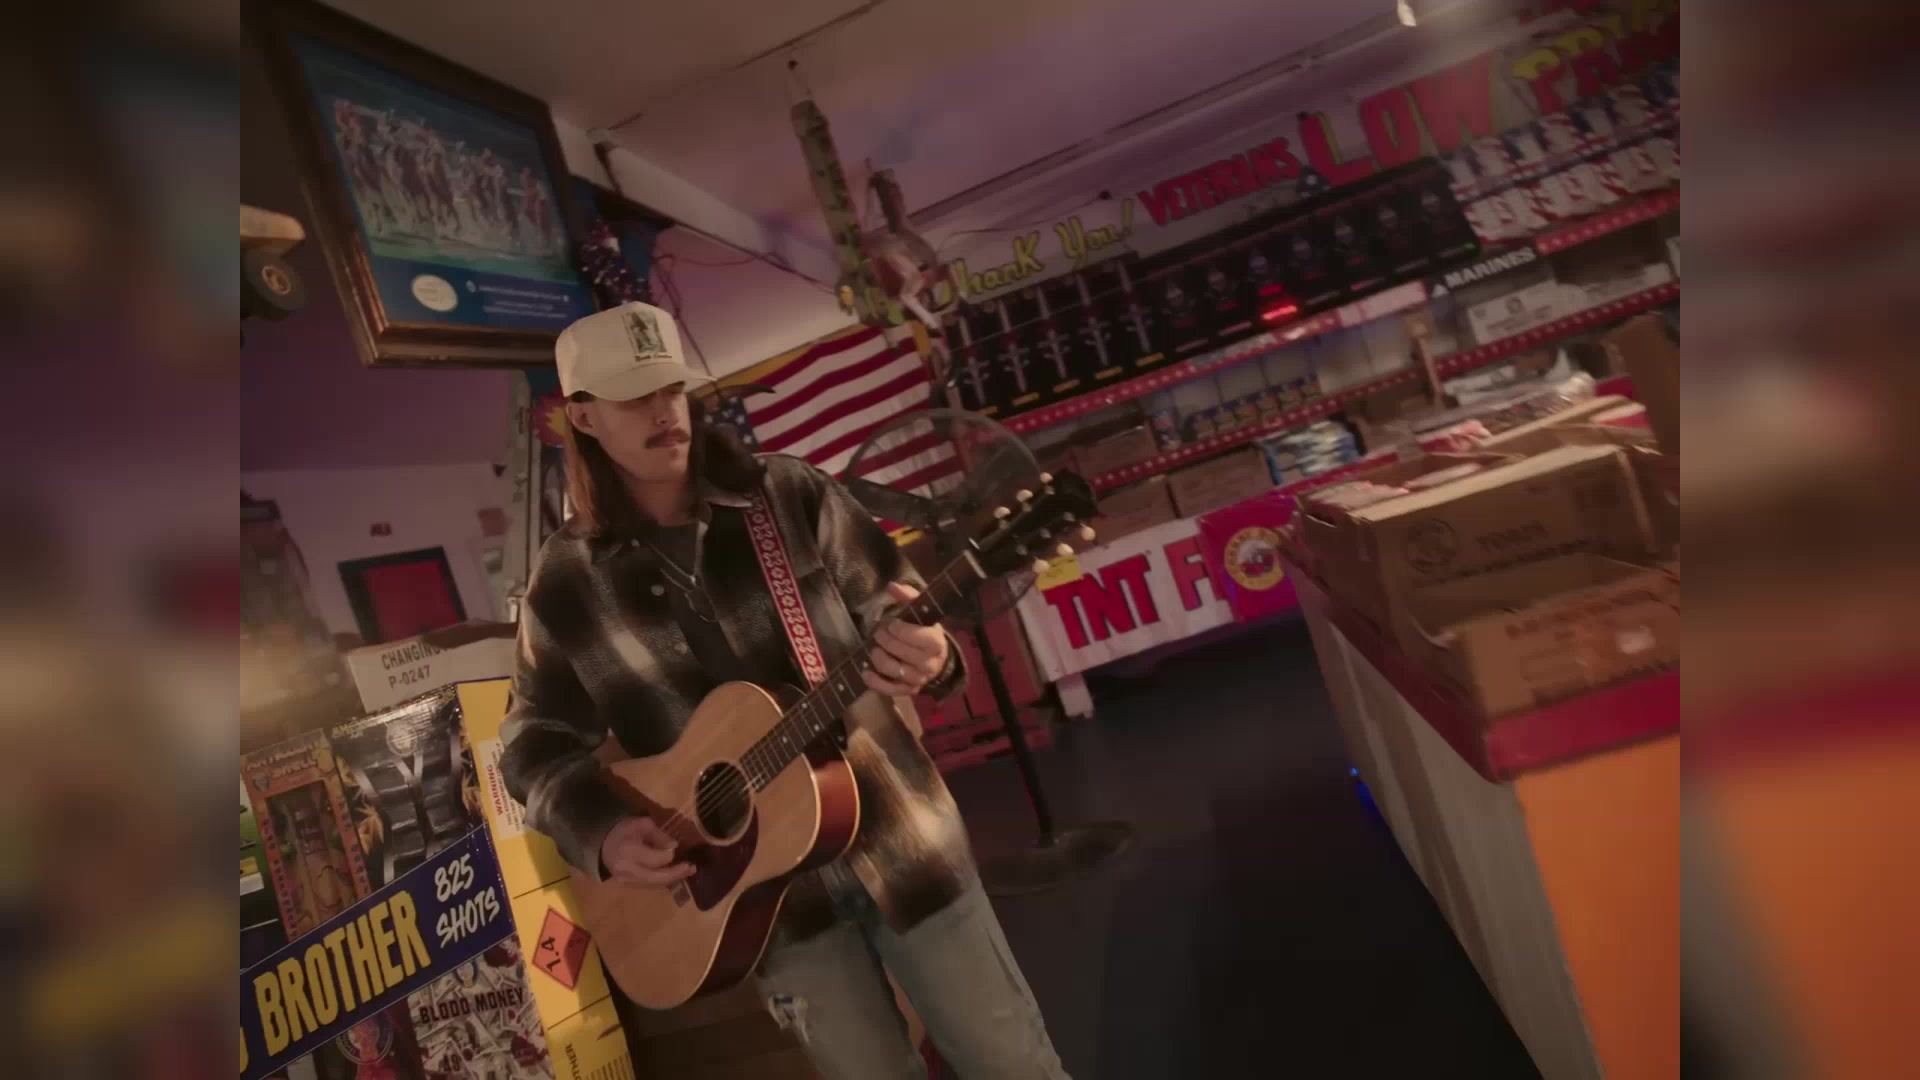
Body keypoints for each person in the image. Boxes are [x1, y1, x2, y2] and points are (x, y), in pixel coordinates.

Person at [500, 301, 1068, 1079]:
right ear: (584, 417)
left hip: (902, 842)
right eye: (635, 396)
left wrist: (930, 654)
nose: (665, 412)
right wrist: (600, 830)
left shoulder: (789, 494)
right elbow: (530, 744)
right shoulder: (565, 584)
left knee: (1015, 1064)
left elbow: (896, 607)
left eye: (672, 389)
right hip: (762, 911)